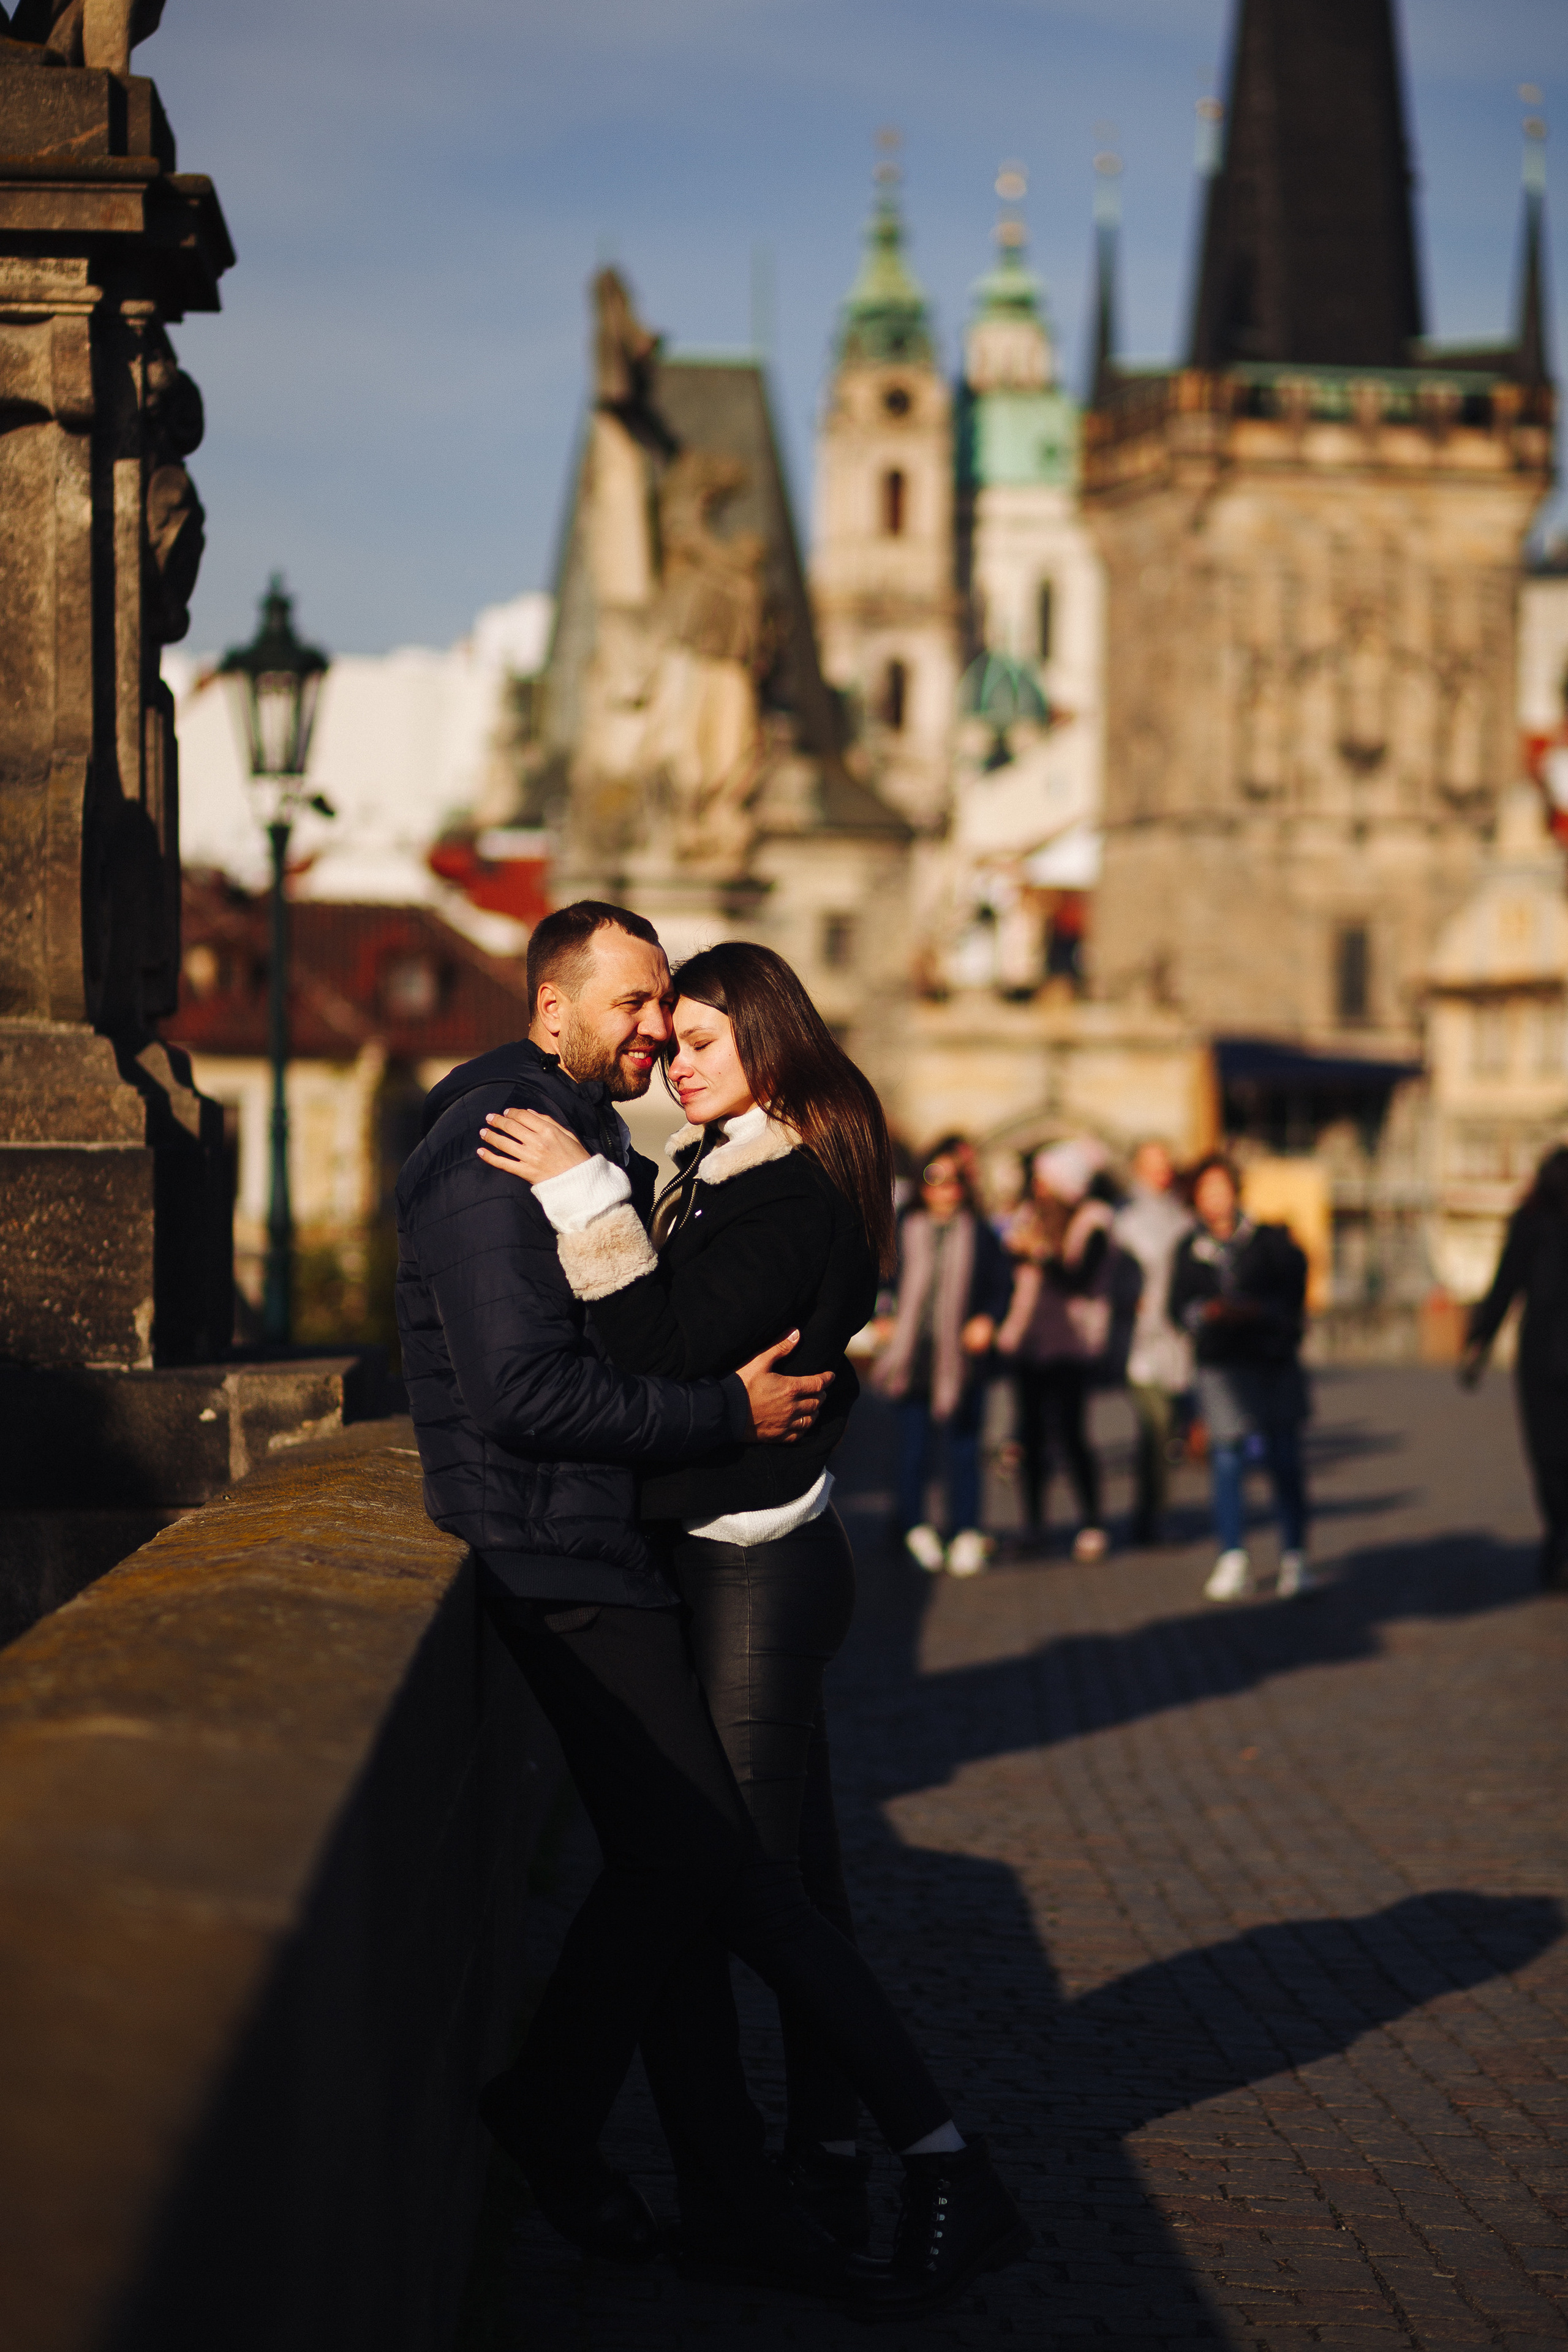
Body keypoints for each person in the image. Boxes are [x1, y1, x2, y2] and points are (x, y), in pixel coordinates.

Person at [398, 905, 1027, 2321]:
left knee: (735, 1877)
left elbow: (659, 1344)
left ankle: (905, 2156)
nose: (665, 1051)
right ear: (545, 1000)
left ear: (770, 1042)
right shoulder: (657, 1159)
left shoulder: (763, 1182)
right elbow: (610, 1367)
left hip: (740, 1562)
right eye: (647, 1019)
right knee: (742, 1875)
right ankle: (777, 2172)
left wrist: (588, 1201)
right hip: (657, 1554)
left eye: (688, 1030)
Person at [1169, 1155, 1316, 1601]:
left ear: (1236, 1191)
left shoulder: (1268, 1241)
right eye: (1205, 1191)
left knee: (1284, 1459)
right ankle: (1233, 1555)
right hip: (1221, 1364)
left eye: (1221, 1188)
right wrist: (1208, 1313)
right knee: (1228, 1460)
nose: (1215, 1200)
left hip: (1271, 1361)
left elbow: (1295, 1287)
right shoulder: (1188, 1247)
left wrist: (1259, 1309)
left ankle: (1295, 1555)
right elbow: (1176, 1307)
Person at [870, 1138, 1014, 1578]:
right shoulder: (903, 1228)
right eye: (935, 1181)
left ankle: (966, 1530)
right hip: (914, 1356)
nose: (944, 1191)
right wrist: (884, 1314)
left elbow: (1001, 1286)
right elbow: (882, 1278)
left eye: (953, 1182)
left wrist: (987, 1319)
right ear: (923, 1186)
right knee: (914, 1450)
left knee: (964, 1450)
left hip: (962, 1359)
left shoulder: (982, 1233)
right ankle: (914, 1526)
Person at [995, 1139, 1114, 1562]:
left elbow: (1080, 1280)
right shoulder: (1030, 1218)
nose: (1039, 1189)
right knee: (1028, 1433)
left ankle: (1092, 1521)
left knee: (1072, 1433)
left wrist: (1040, 1255)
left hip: (1072, 1343)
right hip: (1029, 1340)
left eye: (1046, 1181)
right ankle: (1034, 1526)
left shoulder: (1094, 1223)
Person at [1460, 1143, 1568, 1589]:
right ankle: (1561, 1542)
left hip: (1541, 1355)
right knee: (1552, 1458)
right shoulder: (1530, 1222)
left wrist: (1478, 1344)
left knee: (1549, 1459)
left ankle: (1559, 1541)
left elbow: (1505, 1285)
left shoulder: (1530, 1220)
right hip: (1543, 1356)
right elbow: (1506, 1284)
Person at [1112, 1140, 1194, 1546]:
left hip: (1175, 1338)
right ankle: (1153, 1515)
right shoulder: (1124, 1218)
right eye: (1154, 1165)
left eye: (1167, 1164)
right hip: (1139, 1339)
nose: (1163, 1172)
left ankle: (1148, 1514)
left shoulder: (1181, 1216)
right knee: (1156, 1424)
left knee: (1165, 1432)